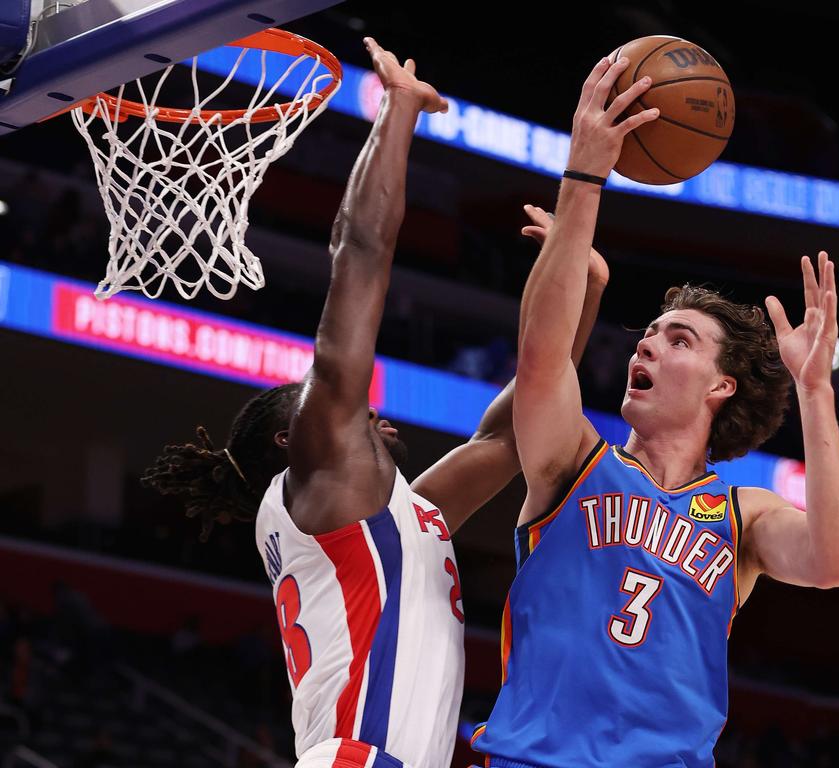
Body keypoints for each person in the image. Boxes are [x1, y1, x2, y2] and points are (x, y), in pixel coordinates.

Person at [142, 40, 608, 768]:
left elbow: (514, 434)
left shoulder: (395, 520)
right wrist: (397, 111)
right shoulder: (323, 465)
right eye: (350, 410)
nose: (370, 412)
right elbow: (359, 250)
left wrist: (587, 287)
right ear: (294, 439)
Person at [471, 54, 839, 768]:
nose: (646, 346)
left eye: (677, 339)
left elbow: (836, 562)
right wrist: (585, 174)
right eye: (647, 335)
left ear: (722, 387)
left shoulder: (743, 515)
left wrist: (816, 392)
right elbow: (541, 356)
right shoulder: (574, 462)